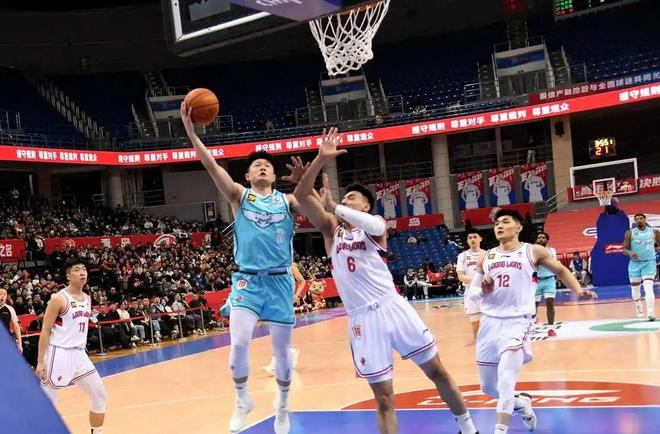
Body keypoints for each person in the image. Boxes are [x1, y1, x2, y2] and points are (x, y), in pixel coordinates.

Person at [292, 128, 478, 434]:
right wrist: (319, 161)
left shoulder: (374, 226)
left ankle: (468, 427)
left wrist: (335, 205)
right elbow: (302, 195)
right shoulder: (331, 231)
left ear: (365, 206)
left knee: (437, 371)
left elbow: (374, 224)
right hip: (362, 320)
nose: (346, 201)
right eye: (344, 198)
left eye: (352, 198)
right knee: (384, 398)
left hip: (392, 307)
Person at [182, 101, 302, 434]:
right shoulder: (239, 196)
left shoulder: (288, 201)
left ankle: (282, 406)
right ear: (247, 176)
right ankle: (242, 400)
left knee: (282, 353)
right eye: (256, 166)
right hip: (247, 282)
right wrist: (192, 134)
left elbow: (310, 200)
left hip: (279, 282)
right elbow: (211, 167)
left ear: (274, 176)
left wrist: (307, 177)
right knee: (237, 344)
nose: (262, 167)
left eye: (267, 165)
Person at [469, 210, 596, 434]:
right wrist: (483, 290)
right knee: (488, 387)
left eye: (505, 222)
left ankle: (500, 430)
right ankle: (521, 403)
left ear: (518, 227)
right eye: (497, 223)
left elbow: (561, 270)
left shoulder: (532, 250)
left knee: (506, 379)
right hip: (489, 323)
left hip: (518, 322)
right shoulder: (486, 257)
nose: (499, 226)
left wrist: (578, 290)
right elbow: (473, 294)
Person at [36, 258, 107, 434]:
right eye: (77, 270)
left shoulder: (88, 298)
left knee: (100, 397)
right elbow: (45, 330)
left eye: (84, 269)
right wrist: (40, 361)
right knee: (48, 405)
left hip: (80, 355)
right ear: (68, 276)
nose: (82, 272)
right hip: (59, 353)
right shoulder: (58, 299)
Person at [623, 213, 660, 321]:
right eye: (636, 219)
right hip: (635, 264)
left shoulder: (654, 232)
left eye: (640, 218)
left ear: (645, 220)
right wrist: (630, 253)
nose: (638, 220)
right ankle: (638, 306)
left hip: (649, 263)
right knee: (635, 289)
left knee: (648, 287)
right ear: (634, 222)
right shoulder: (630, 233)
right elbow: (624, 249)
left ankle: (651, 312)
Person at [456, 230, 486, 339]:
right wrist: (480, 279)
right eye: (470, 238)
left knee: (489, 323)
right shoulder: (462, 256)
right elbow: (461, 277)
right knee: (475, 325)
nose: (472, 239)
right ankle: (479, 346)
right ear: (467, 241)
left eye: (475, 237)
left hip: (486, 291)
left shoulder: (487, 254)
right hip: (470, 292)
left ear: (480, 239)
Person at [534, 232, 558, 336]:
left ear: (547, 240)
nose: (541, 239)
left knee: (550, 303)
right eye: (539, 237)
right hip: (537, 280)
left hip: (549, 279)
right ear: (536, 240)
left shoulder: (552, 250)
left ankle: (551, 328)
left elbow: (554, 263)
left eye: (543, 237)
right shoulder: (532, 251)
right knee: (534, 305)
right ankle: (532, 321)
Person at [0, 288, 22, 353]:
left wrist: (20, 344)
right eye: (0, 294)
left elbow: (16, 326)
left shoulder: (10, 309)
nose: (2, 296)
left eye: (5, 294)